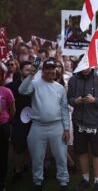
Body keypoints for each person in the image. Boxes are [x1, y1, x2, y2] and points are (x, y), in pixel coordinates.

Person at [18, 58, 70, 191]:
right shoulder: (35, 83)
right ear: (43, 70)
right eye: (48, 69)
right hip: (38, 126)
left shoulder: (60, 88)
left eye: (53, 69)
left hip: (57, 126)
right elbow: (22, 91)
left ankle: (63, 182)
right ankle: (37, 182)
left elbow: (64, 109)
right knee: (37, 157)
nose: (51, 71)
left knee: (61, 156)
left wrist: (67, 129)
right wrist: (30, 75)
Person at [67, 66, 98, 191]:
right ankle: (85, 179)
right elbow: (69, 98)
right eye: (83, 65)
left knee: (96, 152)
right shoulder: (73, 79)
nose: (85, 68)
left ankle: (97, 181)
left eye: (88, 65)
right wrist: (75, 101)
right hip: (78, 121)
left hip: (95, 122)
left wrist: (94, 100)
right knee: (81, 151)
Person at [6, 61, 33, 183]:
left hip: (33, 120)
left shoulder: (36, 85)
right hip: (18, 120)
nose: (29, 72)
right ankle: (17, 171)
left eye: (31, 70)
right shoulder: (12, 86)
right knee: (18, 146)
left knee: (30, 145)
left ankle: (25, 164)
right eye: (27, 70)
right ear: (21, 70)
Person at [0, 66, 16, 191]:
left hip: (2, 127)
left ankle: (1, 182)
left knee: (3, 155)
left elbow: (13, 110)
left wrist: (6, 121)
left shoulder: (6, 91)